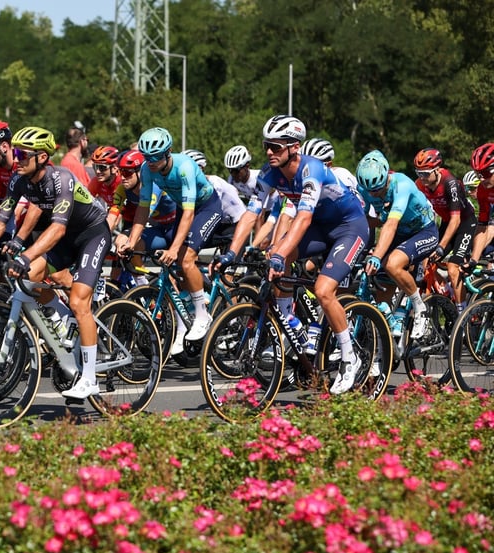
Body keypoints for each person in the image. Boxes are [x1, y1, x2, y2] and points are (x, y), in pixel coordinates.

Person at [216, 115, 369, 395]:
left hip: (349, 227)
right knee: (277, 256)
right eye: (266, 146)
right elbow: (251, 213)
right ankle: (291, 321)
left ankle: (350, 358)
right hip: (321, 228)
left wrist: (280, 253)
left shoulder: (312, 170)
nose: (269, 152)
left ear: (294, 147)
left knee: (323, 290)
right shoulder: (269, 173)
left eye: (275, 147)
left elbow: (303, 218)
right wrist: (232, 253)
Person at [0, 126, 111, 400]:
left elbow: (57, 229)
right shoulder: (19, 181)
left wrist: (25, 255)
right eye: (16, 153)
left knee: (79, 301)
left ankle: (90, 379)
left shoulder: (61, 179)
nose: (16, 159)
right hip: (66, 237)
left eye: (22, 154)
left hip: (92, 233)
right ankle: (62, 319)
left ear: (42, 157)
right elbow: (0, 221)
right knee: (28, 279)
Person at [119, 127, 224, 343]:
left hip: (206, 208)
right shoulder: (147, 170)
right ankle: (186, 306)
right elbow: (143, 209)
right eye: (147, 157)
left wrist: (175, 249)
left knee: (185, 258)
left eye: (155, 157)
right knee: (174, 263)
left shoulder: (184, 167)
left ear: (168, 152)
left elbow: (189, 213)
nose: (151, 162)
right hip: (183, 209)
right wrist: (131, 241)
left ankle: (202, 314)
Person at [356, 150, 439, 341]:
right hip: (399, 233)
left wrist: (377, 256)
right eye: (369, 191)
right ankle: (389, 341)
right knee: (381, 293)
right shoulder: (364, 189)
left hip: (423, 231)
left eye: (377, 190)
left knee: (391, 264)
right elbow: (363, 221)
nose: (373, 194)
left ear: (386, 177)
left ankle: (420, 308)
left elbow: (391, 223)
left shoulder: (402, 184)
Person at [413, 148, 476, 310]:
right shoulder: (419, 184)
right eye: (419, 173)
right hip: (447, 223)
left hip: (465, 224)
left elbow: (456, 220)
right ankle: (447, 294)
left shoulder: (450, 183)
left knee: (453, 268)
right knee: (426, 261)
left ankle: (462, 313)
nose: (422, 178)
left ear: (437, 169)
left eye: (426, 173)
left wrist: (441, 246)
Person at [466, 144, 494, 271]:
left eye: (485, 173)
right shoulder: (483, 191)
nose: (481, 178)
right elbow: (483, 226)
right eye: (478, 174)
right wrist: (473, 260)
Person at [87, 145, 122, 214]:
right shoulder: (96, 182)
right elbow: (86, 202)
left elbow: (119, 213)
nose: (97, 171)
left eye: (102, 167)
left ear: (114, 168)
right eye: (95, 167)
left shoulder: (121, 182)